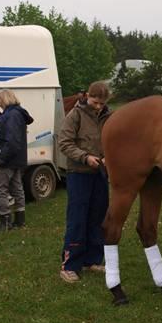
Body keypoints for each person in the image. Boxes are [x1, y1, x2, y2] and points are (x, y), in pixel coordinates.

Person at [57, 81, 111, 283]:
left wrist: (108, 157)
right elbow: (64, 142)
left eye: (101, 103)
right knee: (78, 218)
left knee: (98, 217)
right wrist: (85, 157)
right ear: (88, 96)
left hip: (100, 174)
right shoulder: (76, 115)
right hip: (79, 173)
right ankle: (70, 265)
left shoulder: (108, 116)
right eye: (95, 102)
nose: (98, 106)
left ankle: (93, 260)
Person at [0, 89, 33, 233]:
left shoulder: (12, 115)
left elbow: (11, 140)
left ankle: (5, 223)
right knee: (17, 188)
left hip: (8, 159)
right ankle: (20, 221)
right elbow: (6, 128)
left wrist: (1, 159)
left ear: (5, 100)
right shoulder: (17, 113)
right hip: (17, 159)